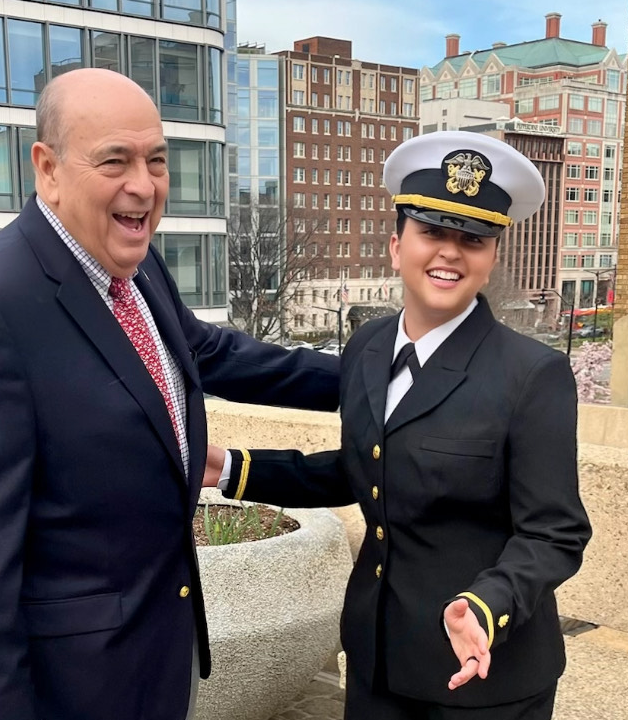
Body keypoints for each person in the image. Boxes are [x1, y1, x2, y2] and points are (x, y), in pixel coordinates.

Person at [0, 69, 339, 720]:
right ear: (47, 169)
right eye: (116, 161)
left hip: (159, 663)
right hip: (75, 691)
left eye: (156, 160)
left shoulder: (129, 261)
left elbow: (209, 352)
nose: (144, 184)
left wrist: (366, 377)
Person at [206, 131, 592, 719]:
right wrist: (235, 469)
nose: (450, 253)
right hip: (377, 654)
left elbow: (554, 533)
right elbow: (362, 471)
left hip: (480, 678)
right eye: (432, 232)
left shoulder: (532, 374)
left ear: (491, 259)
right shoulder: (368, 347)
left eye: (473, 239)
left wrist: (488, 605)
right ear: (396, 245)